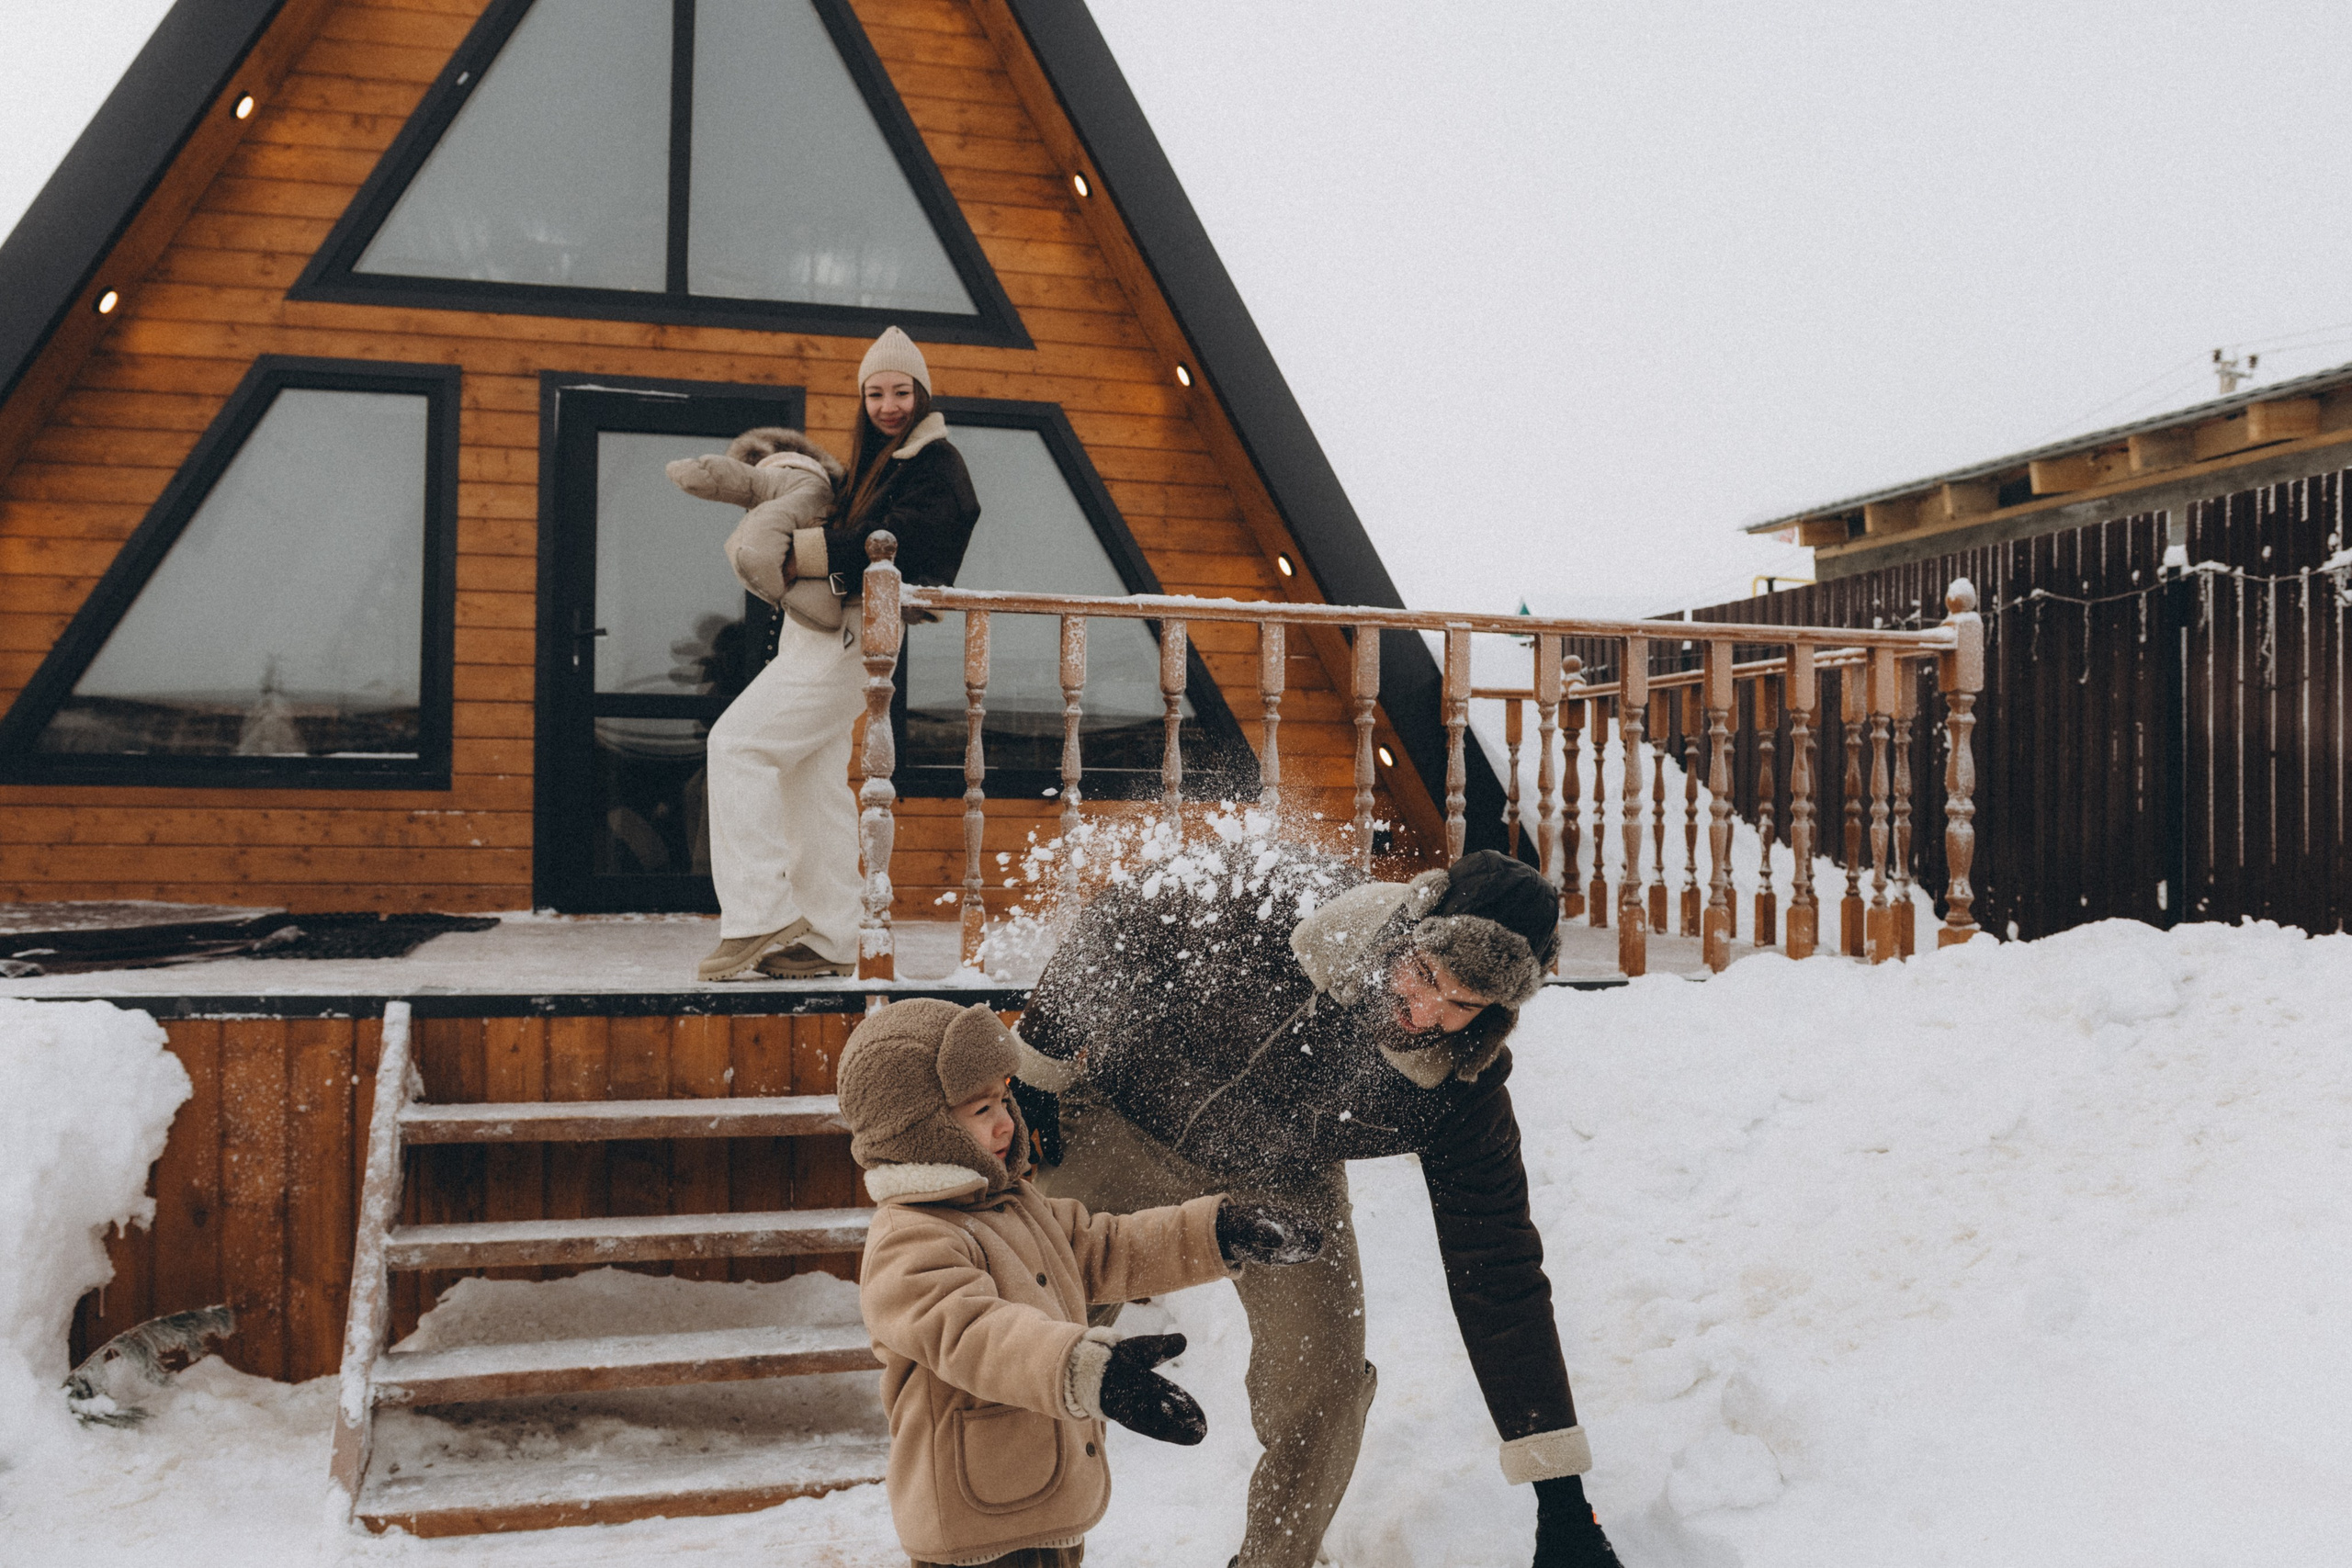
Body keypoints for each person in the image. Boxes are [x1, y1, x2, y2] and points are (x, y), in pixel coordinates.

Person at [1013, 847, 1624, 1568]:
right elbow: (1125, 917)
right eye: (1425, 973)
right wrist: (1038, 1063)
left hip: (1281, 1174)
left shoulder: (1462, 1091)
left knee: (1325, 1382)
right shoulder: (1289, 902)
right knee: (1033, 1328)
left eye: (1462, 1004)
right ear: (1410, 926)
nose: (1426, 1011)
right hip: (1128, 1115)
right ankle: (1018, 1547)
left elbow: (1499, 1272)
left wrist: (1562, 1500)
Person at [842, 998, 1327, 1568]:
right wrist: (1090, 1371)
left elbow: (1105, 1246)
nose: (1005, 1122)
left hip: (1040, 1500)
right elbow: (974, 1334)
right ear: (921, 1129)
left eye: (1003, 1098)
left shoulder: (1012, 1205)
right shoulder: (911, 1238)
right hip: (976, 1519)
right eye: (980, 1109)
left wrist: (1216, 1233)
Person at [693, 327, 981, 981]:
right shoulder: (877, 461)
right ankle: (835, 935)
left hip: (853, 637)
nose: (888, 405)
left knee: (736, 745)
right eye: (875, 393)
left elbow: (909, 536)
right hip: (823, 630)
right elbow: (847, 517)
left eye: (900, 391)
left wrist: (806, 553)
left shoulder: (937, 464)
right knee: (809, 779)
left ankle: (759, 915)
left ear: (921, 392)